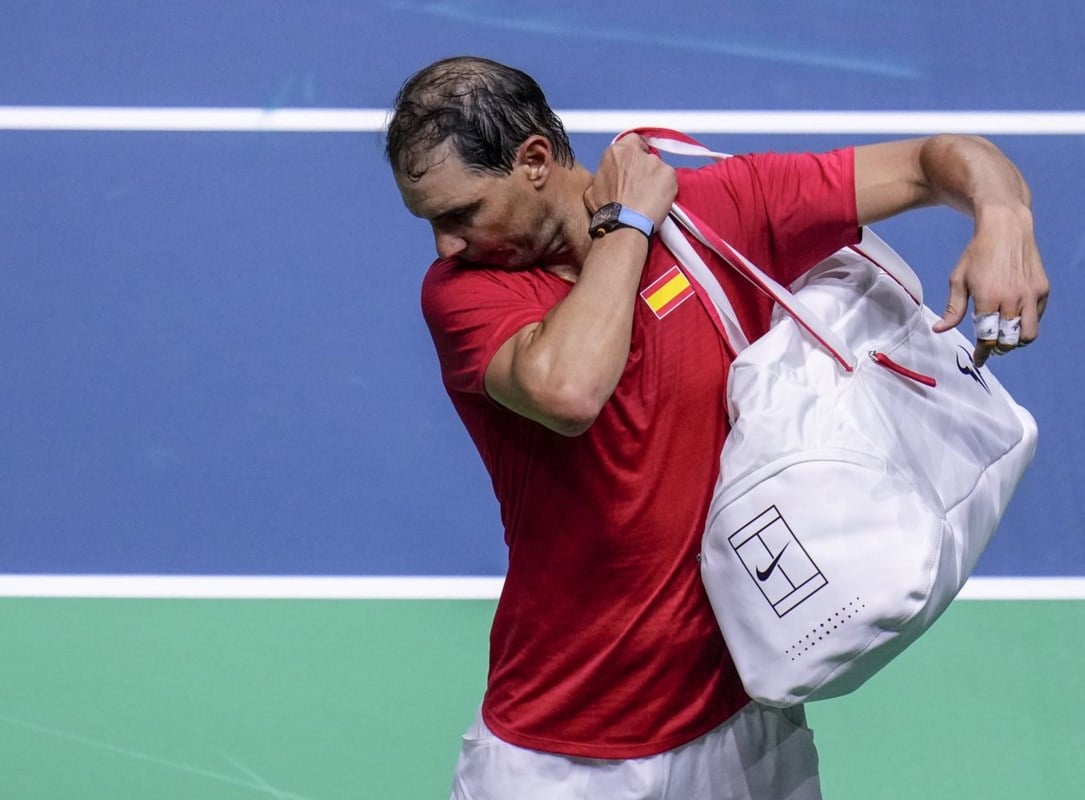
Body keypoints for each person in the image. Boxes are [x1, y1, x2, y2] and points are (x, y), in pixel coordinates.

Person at [385, 55, 1048, 800]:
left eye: (459, 213)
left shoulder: (720, 208)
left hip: (742, 731)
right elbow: (570, 389)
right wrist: (628, 224)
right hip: (560, 746)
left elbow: (938, 164)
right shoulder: (465, 297)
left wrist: (1004, 216)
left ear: (535, 161)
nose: (444, 244)